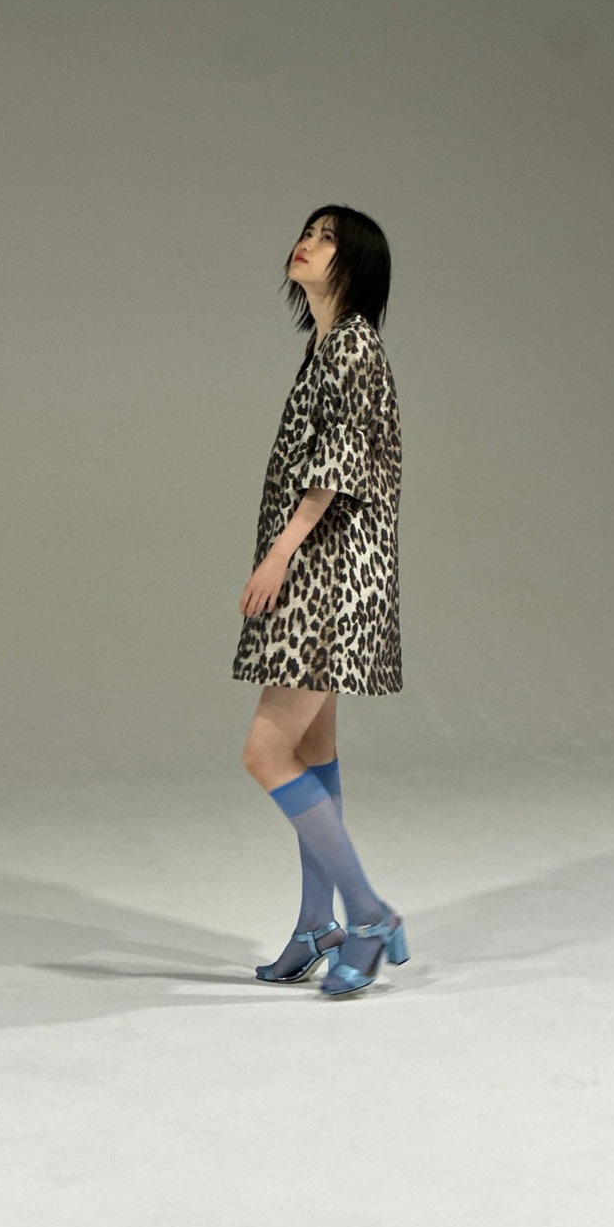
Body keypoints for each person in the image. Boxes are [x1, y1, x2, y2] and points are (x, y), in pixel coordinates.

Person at [232, 204, 408, 997]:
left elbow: (336, 465)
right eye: (308, 231)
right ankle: (316, 923)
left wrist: (278, 554)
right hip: (330, 574)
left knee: (265, 753)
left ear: (357, 264)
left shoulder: (354, 345)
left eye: (328, 237)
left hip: (329, 579)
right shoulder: (326, 347)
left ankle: (368, 915)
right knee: (311, 752)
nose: (306, 243)